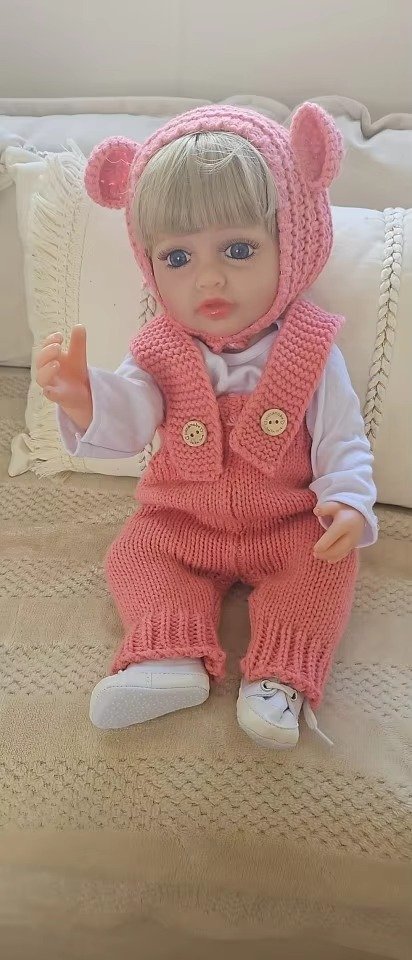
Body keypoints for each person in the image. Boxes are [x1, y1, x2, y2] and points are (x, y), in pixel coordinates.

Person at [35, 103, 377, 749]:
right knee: (136, 552)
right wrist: (85, 397)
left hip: (288, 523)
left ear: (294, 241)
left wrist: (349, 500)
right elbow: (131, 418)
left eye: (238, 249)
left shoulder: (311, 348)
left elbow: (343, 438)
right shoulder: (159, 348)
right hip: (182, 522)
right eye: (177, 257)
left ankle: (280, 675)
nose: (209, 277)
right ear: (150, 265)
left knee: (327, 566)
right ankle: (169, 656)